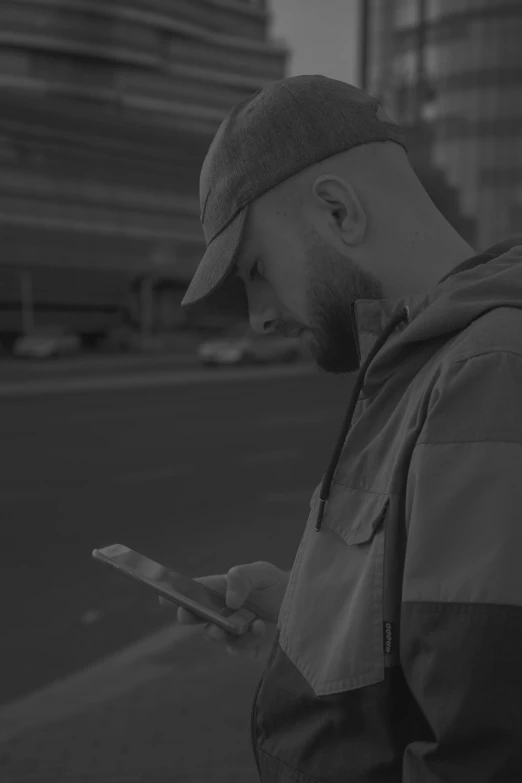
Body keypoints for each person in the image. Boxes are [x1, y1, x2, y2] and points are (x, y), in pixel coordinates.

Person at [161, 75, 522, 781]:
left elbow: (479, 752)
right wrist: (305, 602)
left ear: (337, 209)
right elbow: (433, 630)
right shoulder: (422, 364)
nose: (259, 314)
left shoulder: (485, 373)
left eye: (257, 269)